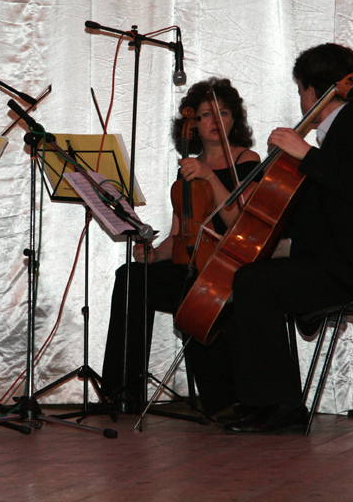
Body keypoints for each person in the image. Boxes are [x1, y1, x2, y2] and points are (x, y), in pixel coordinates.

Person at [221, 42, 353, 433]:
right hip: (343, 264)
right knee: (252, 276)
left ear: (312, 89)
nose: (301, 99)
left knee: (255, 283)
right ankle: (262, 402)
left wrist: (305, 154)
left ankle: (281, 406)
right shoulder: (338, 135)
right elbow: (325, 210)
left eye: (300, 90)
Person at [100, 78, 260, 414]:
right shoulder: (187, 170)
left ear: (234, 120)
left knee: (191, 289)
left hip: (228, 267)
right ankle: (122, 393)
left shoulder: (247, 160)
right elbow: (179, 234)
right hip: (193, 263)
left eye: (223, 113)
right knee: (131, 277)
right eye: (206, 115)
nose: (215, 120)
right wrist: (152, 254)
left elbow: (240, 221)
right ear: (194, 125)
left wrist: (208, 176)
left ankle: (222, 398)